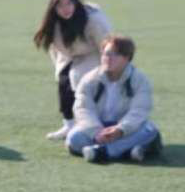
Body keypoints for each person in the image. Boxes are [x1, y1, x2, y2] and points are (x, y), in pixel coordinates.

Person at [67, 34, 162, 164]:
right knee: (73, 138)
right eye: (106, 54)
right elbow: (83, 109)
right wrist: (96, 132)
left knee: (149, 130)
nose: (109, 58)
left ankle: (103, 152)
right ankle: (127, 150)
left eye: (115, 54)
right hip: (99, 128)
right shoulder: (89, 79)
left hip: (126, 130)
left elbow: (140, 110)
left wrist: (120, 130)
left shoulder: (140, 80)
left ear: (127, 58)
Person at [33, 0, 112, 141]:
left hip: (93, 53)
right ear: (54, 8)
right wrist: (60, 70)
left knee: (82, 82)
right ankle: (68, 125)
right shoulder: (53, 23)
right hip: (69, 55)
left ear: (75, 3)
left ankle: (92, 123)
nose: (65, 9)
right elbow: (54, 49)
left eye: (69, 3)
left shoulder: (93, 19)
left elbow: (106, 45)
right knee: (64, 81)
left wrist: (108, 68)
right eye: (60, 5)